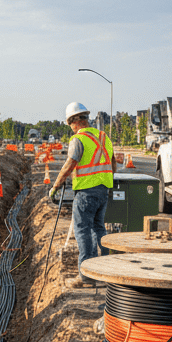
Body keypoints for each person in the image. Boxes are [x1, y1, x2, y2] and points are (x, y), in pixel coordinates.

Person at [49, 102, 116, 287]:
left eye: (70, 124)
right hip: (103, 190)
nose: (71, 128)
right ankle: (104, 272)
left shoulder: (78, 140)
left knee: (83, 231)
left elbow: (69, 165)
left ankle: (86, 276)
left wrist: (55, 186)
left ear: (74, 121)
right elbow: (113, 164)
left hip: (86, 192)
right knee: (98, 229)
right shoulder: (104, 137)